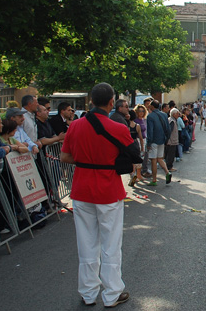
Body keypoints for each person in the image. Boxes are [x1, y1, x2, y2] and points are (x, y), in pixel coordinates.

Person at [60, 82, 140, 308]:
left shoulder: (75, 126)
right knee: (111, 243)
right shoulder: (118, 127)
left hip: (82, 188)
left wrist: (87, 161)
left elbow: (65, 157)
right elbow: (134, 155)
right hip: (108, 189)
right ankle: (112, 293)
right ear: (112, 102)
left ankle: (87, 293)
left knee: (86, 243)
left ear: (91, 101)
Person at [145, 100, 173, 186]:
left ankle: (154, 180)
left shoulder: (150, 116)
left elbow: (150, 131)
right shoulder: (164, 115)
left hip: (154, 140)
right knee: (160, 158)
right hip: (162, 139)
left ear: (152, 107)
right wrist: (167, 138)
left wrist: (148, 143)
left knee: (154, 160)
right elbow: (168, 128)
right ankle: (167, 172)